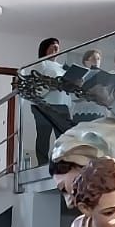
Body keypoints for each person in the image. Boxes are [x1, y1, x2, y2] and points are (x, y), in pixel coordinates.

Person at [22, 38, 72, 166]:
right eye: (52, 46)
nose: (56, 49)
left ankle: (62, 162)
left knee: (63, 137)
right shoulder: (41, 64)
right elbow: (35, 89)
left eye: (57, 47)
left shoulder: (62, 67)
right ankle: (42, 164)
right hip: (44, 105)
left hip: (62, 105)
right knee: (44, 135)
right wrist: (52, 85)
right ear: (45, 48)